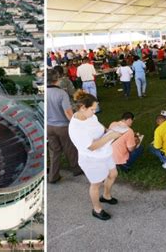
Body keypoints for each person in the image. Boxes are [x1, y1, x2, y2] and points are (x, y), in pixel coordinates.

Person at [68, 90, 121, 221]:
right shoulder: (76, 127)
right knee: (96, 184)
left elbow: (99, 126)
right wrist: (112, 136)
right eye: (92, 109)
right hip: (92, 159)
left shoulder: (90, 116)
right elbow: (92, 147)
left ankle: (107, 196)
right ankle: (97, 209)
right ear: (82, 108)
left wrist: (107, 131)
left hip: (105, 152)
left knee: (113, 174)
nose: (94, 112)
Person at [47, 70, 82, 183]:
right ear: (57, 79)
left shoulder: (45, 92)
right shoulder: (61, 93)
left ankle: (53, 176)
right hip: (62, 127)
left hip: (49, 126)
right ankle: (76, 169)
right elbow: (68, 113)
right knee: (70, 149)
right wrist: (76, 124)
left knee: (54, 152)